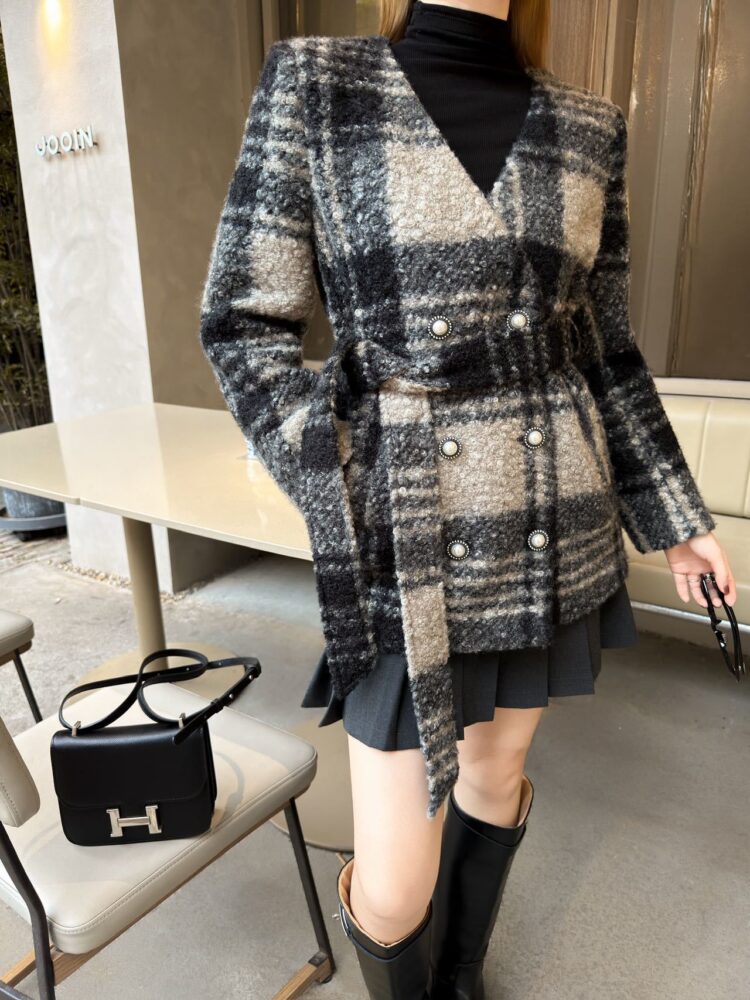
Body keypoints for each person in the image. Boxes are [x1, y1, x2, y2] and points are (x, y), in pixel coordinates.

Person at [199, 2, 736, 997]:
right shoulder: (316, 85)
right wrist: (339, 477)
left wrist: (676, 517)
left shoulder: (589, 125)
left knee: (495, 774)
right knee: (394, 879)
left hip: (551, 517)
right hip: (405, 527)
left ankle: (461, 978)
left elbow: (606, 350)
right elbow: (244, 324)